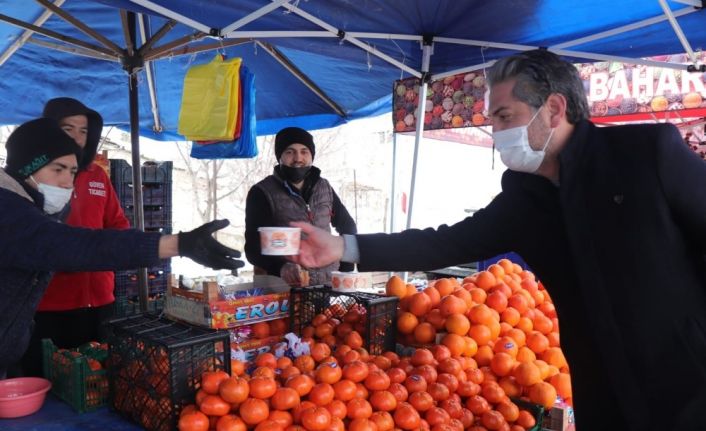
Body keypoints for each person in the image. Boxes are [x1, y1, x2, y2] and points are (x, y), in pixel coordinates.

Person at [289, 50, 706, 430]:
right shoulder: (525, 198)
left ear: (555, 109)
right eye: (494, 120)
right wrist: (343, 246)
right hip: (602, 395)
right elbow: (445, 243)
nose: (496, 132)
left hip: (688, 384)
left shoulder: (646, 154)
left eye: (505, 117)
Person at [0, 117, 244, 379]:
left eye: (72, 172)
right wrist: (177, 244)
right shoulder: (7, 210)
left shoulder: (24, 206)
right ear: (27, 168)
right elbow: (74, 245)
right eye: (57, 169)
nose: (66, 183)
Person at [17, 98, 130, 377]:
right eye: (68, 129)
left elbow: (117, 224)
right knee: (50, 382)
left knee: (96, 381)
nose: (78, 138)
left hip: (99, 298)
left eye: (84, 131)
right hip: (48, 304)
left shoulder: (97, 176)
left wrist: (110, 250)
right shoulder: (30, 176)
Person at [244, 126, 357, 286]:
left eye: (304, 151)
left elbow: (348, 227)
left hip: (326, 285)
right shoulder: (261, 192)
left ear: (311, 156)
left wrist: (345, 269)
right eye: (290, 152)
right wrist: (281, 267)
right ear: (280, 156)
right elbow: (253, 249)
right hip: (284, 288)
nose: (298, 158)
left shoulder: (324, 187)